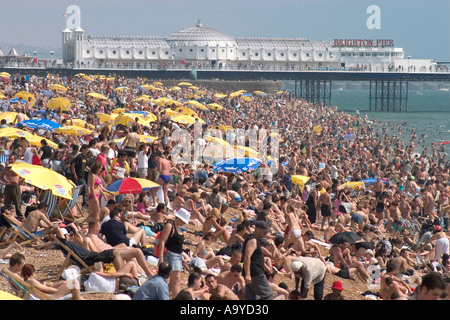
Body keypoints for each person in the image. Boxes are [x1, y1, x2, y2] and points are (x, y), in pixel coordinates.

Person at [53, 226, 155, 278]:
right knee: (134, 251)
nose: (71, 236)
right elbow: (57, 228)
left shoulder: (71, 244)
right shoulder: (65, 243)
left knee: (134, 250)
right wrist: (51, 229)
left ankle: (140, 273)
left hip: (95, 255)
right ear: (65, 236)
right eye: (69, 235)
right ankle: (143, 274)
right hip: (93, 258)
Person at [158, 208, 190, 298]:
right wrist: (161, 258)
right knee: (176, 280)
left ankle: (160, 296)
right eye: (183, 220)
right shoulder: (170, 225)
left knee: (173, 282)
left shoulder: (177, 227)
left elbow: (178, 247)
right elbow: (162, 241)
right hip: (171, 254)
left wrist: (182, 258)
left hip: (177, 256)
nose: (184, 223)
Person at [241, 220, 274, 300]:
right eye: (264, 231)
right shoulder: (253, 240)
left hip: (253, 272)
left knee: (251, 297)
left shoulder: (254, 239)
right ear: (258, 229)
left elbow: (255, 258)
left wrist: (265, 267)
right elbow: (247, 257)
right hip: (255, 273)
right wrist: (248, 274)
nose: (266, 233)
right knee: (268, 295)